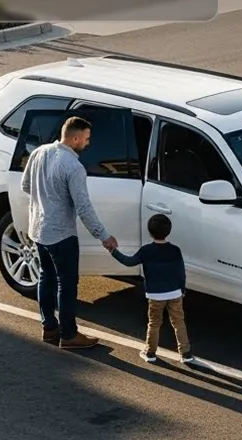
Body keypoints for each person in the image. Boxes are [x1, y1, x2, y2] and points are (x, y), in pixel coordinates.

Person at [21, 116, 117, 349]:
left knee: (45, 277)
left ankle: (49, 328)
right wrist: (104, 236)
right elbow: (84, 208)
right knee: (66, 284)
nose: (88, 143)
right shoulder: (74, 167)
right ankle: (69, 335)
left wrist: (45, 200)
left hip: (38, 230)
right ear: (75, 138)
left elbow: (25, 186)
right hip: (62, 235)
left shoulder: (39, 153)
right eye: (86, 138)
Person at [110, 213, 195, 365]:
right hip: (175, 293)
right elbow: (181, 273)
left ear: (150, 232)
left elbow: (129, 262)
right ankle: (186, 353)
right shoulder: (175, 250)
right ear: (169, 230)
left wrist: (113, 251)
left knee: (154, 323)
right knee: (179, 323)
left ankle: (150, 352)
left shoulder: (146, 250)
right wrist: (182, 289)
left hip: (156, 296)